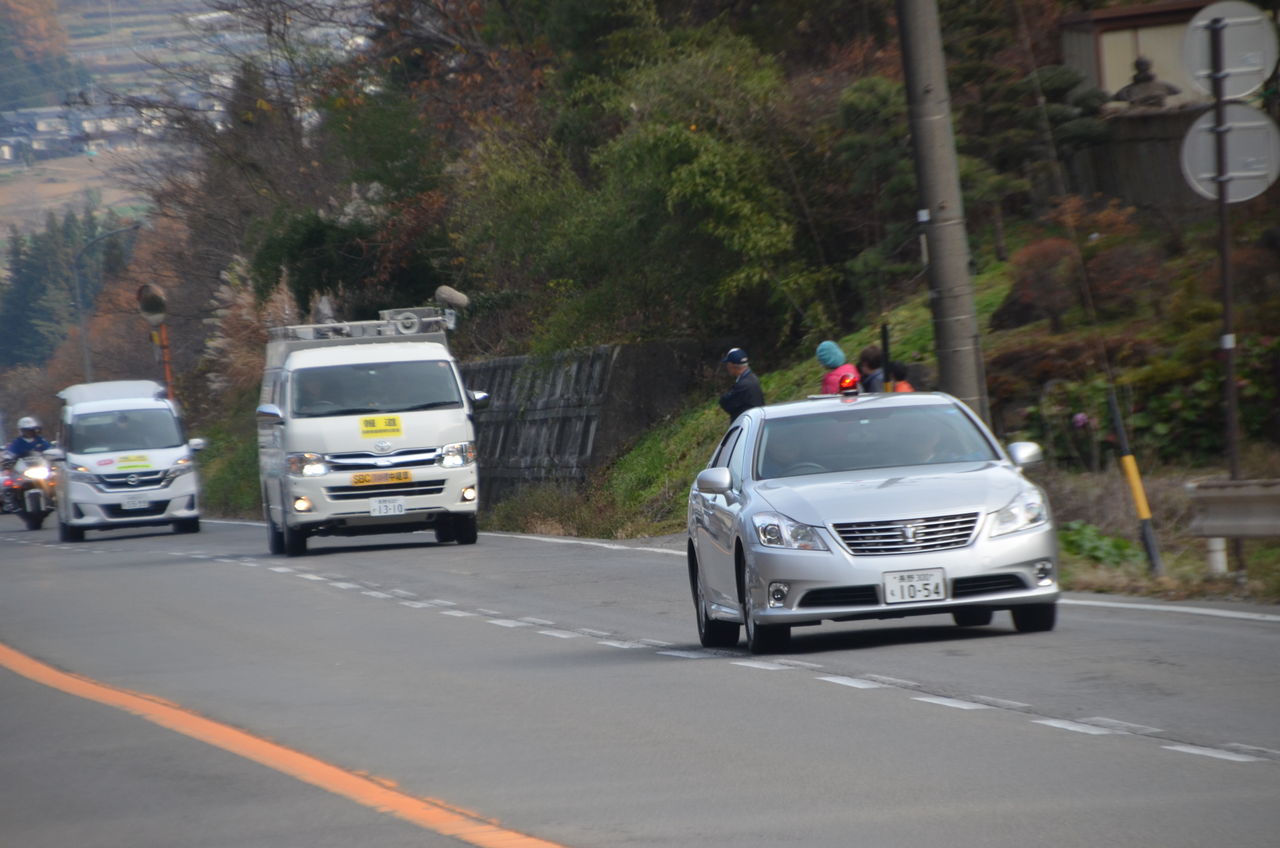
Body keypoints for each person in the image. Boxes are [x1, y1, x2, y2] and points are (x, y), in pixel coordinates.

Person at [2, 417, 52, 512]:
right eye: (26, 430)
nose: (29, 432)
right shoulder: (17, 442)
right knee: (9, 481)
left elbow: (49, 449)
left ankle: (52, 497)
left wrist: (51, 454)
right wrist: (7, 460)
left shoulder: (41, 441)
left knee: (54, 478)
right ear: (21, 431)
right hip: (23, 469)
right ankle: (12, 502)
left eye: (32, 430)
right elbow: (9, 453)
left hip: (39, 466)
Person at [718, 347, 764, 422]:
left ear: (731, 365)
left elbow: (726, 403)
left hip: (748, 425)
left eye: (727, 364)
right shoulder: (753, 378)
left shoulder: (743, 385)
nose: (727, 367)